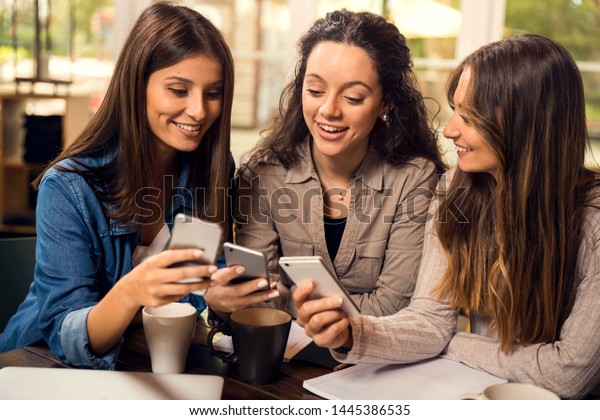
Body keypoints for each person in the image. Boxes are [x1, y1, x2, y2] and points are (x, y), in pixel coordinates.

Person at [293, 33, 600, 399]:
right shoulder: (457, 186)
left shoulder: (592, 221)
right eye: (455, 109)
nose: (450, 129)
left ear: (528, 124)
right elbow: (429, 320)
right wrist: (351, 333)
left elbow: (567, 374)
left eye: (469, 117)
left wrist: (454, 342)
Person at [0, 3, 268, 369]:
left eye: (213, 93)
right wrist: (131, 291)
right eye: (178, 90)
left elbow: (204, 286)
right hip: (38, 363)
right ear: (136, 84)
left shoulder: (213, 169)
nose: (199, 111)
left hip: (146, 358)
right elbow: (65, 334)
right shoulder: (68, 187)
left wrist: (219, 301)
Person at [204, 9, 446, 320]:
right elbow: (258, 297)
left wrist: (291, 303)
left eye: (354, 98)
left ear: (385, 102)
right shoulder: (262, 173)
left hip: (376, 364)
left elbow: (393, 308)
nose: (328, 110)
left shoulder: (413, 178)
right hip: (285, 360)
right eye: (315, 91)